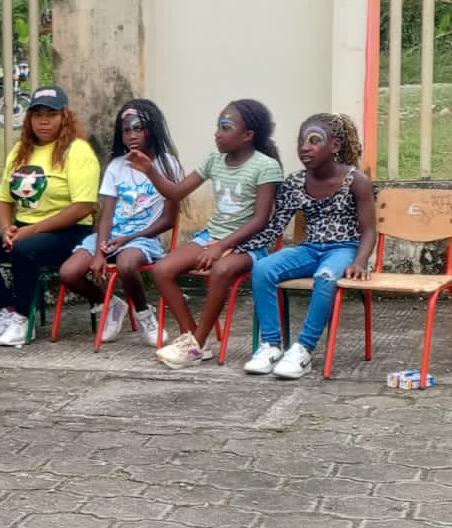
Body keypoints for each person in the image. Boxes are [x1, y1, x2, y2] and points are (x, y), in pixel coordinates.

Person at [130, 99, 283, 370]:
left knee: (222, 270)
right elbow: (176, 193)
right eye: (218, 127)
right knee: (163, 269)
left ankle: (196, 344)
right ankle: (193, 341)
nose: (217, 133)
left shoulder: (266, 166)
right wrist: (150, 170)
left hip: (248, 244)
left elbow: (261, 220)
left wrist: (222, 246)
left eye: (226, 127)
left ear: (248, 135)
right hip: (210, 236)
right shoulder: (213, 161)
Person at [0, 85, 100, 349]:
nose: (44, 121)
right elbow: (4, 198)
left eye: (51, 114)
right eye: (37, 114)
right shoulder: (20, 150)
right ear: (29, 118)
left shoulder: (78, 151)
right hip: (25, 229)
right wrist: (6, 230)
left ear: (64, 117)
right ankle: (10, 309)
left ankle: (24, 320)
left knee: (24, 250)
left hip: (70, 232)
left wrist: (30, 232)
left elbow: (83, 206)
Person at [243, 114, 376, 380]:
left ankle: (303, 349)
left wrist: (360, 262)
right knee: (263, 268)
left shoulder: (355, 180)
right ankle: (271, 345)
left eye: (314, 140)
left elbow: (369, 230)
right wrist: (238, 247)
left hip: (344, 249)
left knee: (326, 277)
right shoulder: (295, 182)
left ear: (334, 145)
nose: (305, 147)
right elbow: (275, 227)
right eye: (301, 141)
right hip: (310, 249)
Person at [57, 99, 182, 346]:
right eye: (126, 130)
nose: (131, 135)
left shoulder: (167, 165)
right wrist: (99, 251)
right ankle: (110, 304)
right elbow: (106, 214)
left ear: (153, 128)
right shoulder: (116, 166)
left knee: (126, 264)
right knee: (68, 272)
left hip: (143, 238)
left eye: (138, 128)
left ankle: (144, 314)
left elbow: (169, 220)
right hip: (111, 236)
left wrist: (129, 238)